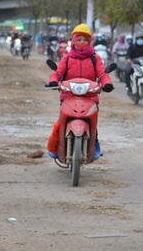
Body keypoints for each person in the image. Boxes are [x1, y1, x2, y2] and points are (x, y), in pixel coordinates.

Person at [46, 24, 114, 159]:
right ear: (74, 40)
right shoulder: (67, 58)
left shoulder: (95, 59)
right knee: (60, 122)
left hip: (90, 96)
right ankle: (55, 146)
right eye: (79, 39)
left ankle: (95, 144)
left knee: (93, 121)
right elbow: (58, 73)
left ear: (89, 41)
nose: (82, 42)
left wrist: (107, 84)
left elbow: (102, 75)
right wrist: (53, 81)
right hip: (68, 95)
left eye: (84, 40)